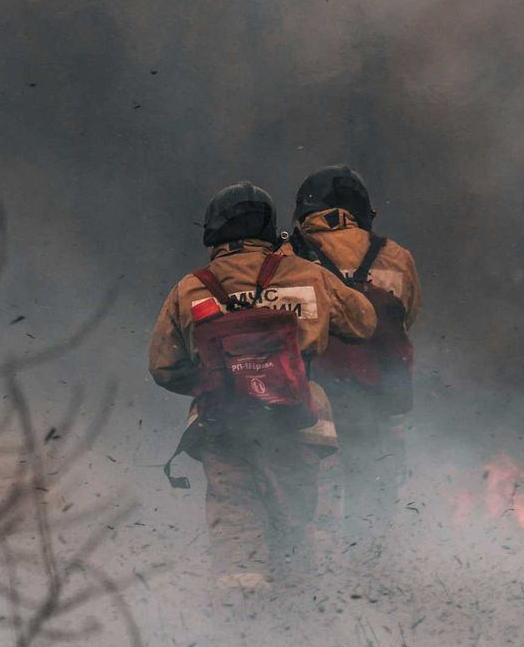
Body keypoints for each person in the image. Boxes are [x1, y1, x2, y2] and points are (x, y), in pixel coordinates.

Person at [148, 181, 376, 590]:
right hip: (301, 422)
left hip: (224, 425)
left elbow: (164, 368)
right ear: (270, 228)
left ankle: (245, 625)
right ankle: (309, 613)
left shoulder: (190, 288)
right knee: (301, 523)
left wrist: (224, 380)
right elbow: (363, 322)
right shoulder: (308, 275)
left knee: (236, 523)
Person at [288, 165, 422, 548]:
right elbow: (406, 317)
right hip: (375, 396)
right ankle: (370, 584)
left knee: (311, 497)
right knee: (374, 496)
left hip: (308, 398)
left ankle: (312, 584)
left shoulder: (286, 256)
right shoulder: (396, 257)